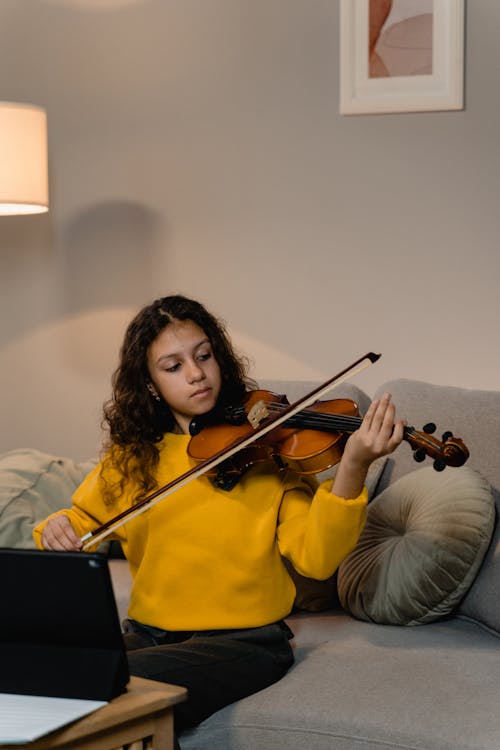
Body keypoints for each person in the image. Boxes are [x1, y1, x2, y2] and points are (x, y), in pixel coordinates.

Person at [33, 294, 404, 743]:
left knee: (113, 680)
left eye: (203, 356)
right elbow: (79, 517)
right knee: (43, 672)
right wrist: (55, 528)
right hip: (149, 635)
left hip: (243, 643)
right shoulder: (134, 459)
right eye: (173, 367)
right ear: (149, 383)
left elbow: (318, 559)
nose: (195, 374)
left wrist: (353, 467)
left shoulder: (268, 455)